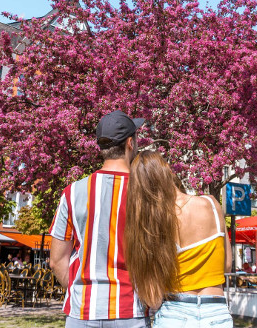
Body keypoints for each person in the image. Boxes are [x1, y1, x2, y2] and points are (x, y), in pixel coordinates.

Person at [49, 110, 149, 328]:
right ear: (130, 143)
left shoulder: (72, 192)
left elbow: (57, 261)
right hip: (130, 310)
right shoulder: (147, 194)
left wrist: (79, 292)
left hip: (82, 311)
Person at [125, 151, 233, 327]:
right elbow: (226, 265)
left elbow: (153, 299)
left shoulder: (157, 222)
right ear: (168, 170)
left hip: (175, 314)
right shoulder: (212, 204)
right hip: (217, 313)